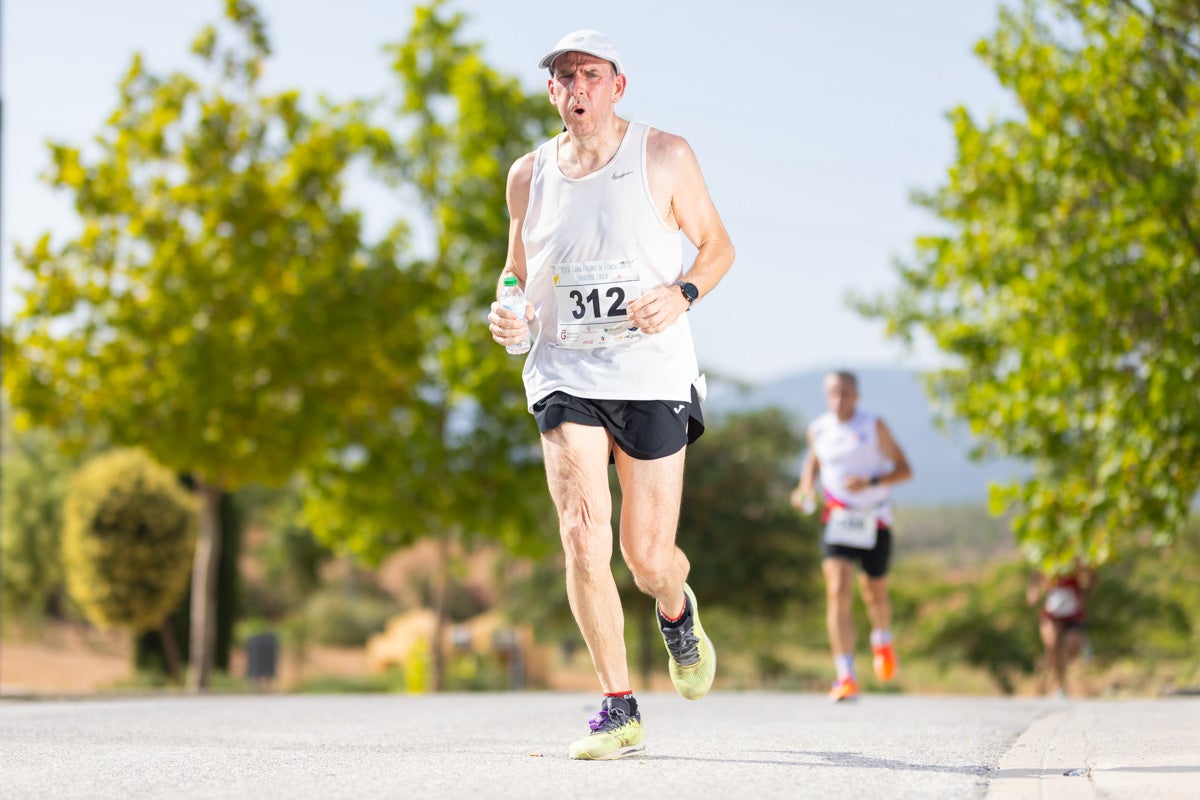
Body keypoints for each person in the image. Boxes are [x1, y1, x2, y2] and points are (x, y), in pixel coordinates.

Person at [487, 29, 735, 760]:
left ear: (617, 86)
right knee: (581, 533)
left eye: (590, 76)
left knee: (647, 554)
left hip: (652, 375)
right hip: (566, 372)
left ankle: (675, 609)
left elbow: (718, 246)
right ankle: (617, 705)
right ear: (551, 91)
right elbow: (515, 271)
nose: (577, 90)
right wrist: (507, 310)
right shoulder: (528, 175)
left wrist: (682, 293)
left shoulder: (664, 154)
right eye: (564, 78)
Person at [790, 371, 913, 702]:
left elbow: (905, 469)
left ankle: (882, 639)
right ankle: (845, 675)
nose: (839, 400)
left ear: (856, 395)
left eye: (845, 394)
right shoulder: (818, 428)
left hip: (875, 520)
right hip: (838, 520)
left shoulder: (873, 426)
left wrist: (870, 484)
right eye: (833, 394)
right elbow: (813, 461)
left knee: (874, 592)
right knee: (838, 588)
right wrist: (804, 487)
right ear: (825, 395)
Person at [1027, 564, 1094, 698]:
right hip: (1052, 611)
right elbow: (1035, 574)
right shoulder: (1046, 557)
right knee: (1051, 644)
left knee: (1071, 651)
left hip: (1073, 612)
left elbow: (1092, 578)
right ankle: (1059, 686)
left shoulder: (1075, 558)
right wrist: (1033, 591)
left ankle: (1081, 643)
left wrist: (1084, 593)